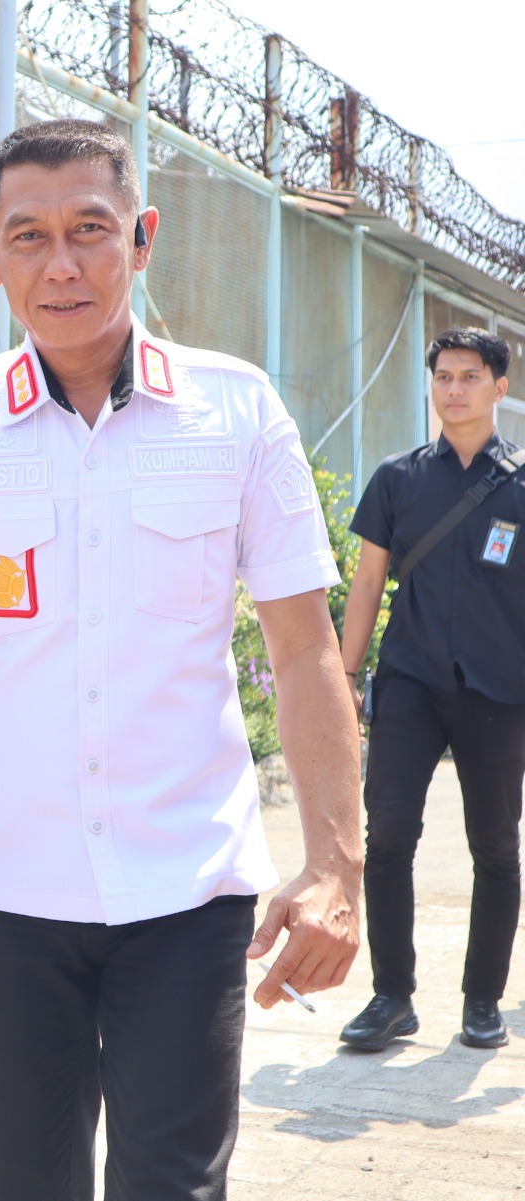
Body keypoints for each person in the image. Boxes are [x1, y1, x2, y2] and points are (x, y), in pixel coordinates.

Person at [0, 119, 362, 1200]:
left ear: (141, 238)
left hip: (187, 892)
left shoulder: (235, 412)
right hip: (6, 898)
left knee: (173, 1185)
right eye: (28, 236)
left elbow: (303, 652)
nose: (60, 264)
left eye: (90, 229)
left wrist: (336, 867)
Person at [338, 327, 525, 1052]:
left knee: (496, 848)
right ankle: (392, 996)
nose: (453, 389)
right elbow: (366, 583)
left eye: (469, 376)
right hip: (410, 682)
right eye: (443, 376)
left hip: (499, 690)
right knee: (386, 836)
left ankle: (483, 1000)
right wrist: (344, 677)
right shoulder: (399, 478)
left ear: (499, 387)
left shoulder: (519, 484)